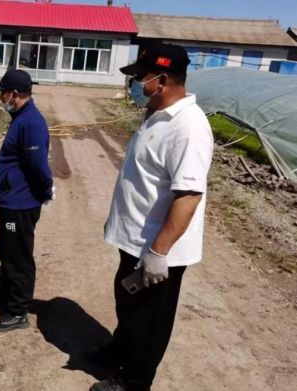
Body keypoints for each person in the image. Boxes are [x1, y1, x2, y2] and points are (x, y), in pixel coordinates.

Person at [89, 44, 214, 391]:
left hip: (159, 249)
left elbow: (188, 195)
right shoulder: (157, 114)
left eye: (140, 78)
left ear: (162, 79)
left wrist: (160, 252)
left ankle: (134, 381)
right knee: (128, 304)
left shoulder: (188, 127)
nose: (135, 84)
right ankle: (119, 351)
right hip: (134, 240)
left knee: (149, 319)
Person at [0, 70, 54, 332]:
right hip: (11, 203)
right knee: (7, 249)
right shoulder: (20, 117)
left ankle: (17, 311)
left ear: (14, 95)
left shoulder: (31, 122)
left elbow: (37, 164)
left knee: (17, 255)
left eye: (2, 93)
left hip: (20, 207)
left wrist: (47, 189)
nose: (0, 98)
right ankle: (7, 293)